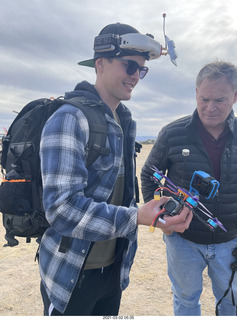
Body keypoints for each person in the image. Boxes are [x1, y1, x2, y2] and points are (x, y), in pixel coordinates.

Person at [38, 22, 192, 316]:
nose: (136, 76)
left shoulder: (125, 120)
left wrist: (155, 215)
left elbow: (120, 194)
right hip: (73, 276)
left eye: (142, 70)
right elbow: (61, 209)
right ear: (100, 64)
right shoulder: (69, 118)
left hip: (113, 271)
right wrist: (137, 217)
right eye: (129, 66)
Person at [141, 60, 237, 316]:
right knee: (185, 301)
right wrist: (159, 218)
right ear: (195, 92)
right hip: (183, 242)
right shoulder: (172, 133)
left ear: (235, 96)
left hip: (231, 241)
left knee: (231, 303)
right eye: (204, 98)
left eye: (220, 100)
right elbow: (149, 174)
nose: (210, 107)